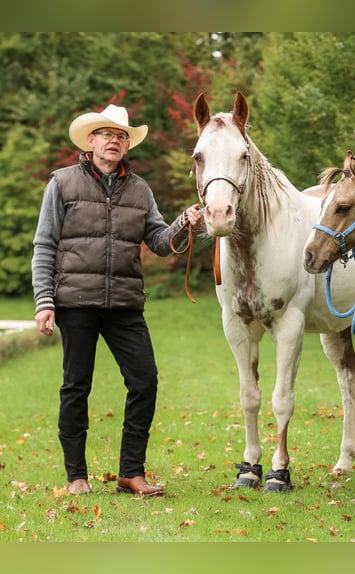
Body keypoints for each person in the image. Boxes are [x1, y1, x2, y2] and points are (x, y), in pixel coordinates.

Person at [31, 103, 202, 496]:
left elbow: (160, 242)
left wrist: (184, 223)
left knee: (145, 382)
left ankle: (131, 473)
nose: (114, 141)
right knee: (77, 386)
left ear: (127, 146)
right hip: (75, 301)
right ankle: (76, 476)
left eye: (121, 136)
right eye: (106, 134)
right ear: (90, 141)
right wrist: (45, 301)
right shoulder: (62, 183)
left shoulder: (140, 189)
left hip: (125, 303)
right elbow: (45, 245)